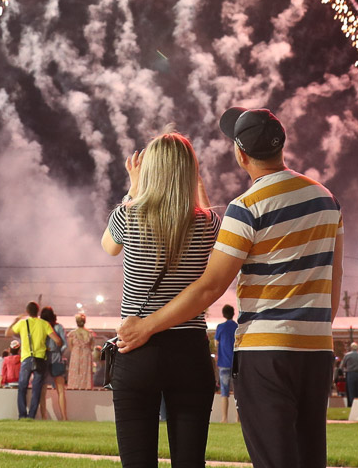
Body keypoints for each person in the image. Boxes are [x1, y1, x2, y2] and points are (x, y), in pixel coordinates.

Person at [116, 108, 343, 468]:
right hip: (316, 350)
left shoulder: (247, 207)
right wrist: (317, 329)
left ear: (240, 154)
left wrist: (145, 325)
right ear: (281, 144)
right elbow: (335, 275)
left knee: (274, 457)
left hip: (266, 351)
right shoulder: (326, 198)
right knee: (309, 455)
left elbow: (210, 287)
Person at [97, 132, 219, 467]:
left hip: (137, 352)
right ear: (190, 173)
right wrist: (196, 183)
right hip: (190, 351)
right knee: (190, 461)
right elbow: (211, 225)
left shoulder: (128, 215)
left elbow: (109, 246)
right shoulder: (207, 223)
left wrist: (134, 188)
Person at [10, 303, 59, 418]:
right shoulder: (44, 324)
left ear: (27, 311)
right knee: (36, 389)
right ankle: (31, 415)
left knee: (22, 387)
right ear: (38, 311)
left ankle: (22, 414)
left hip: (26, 358)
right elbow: (58, 340)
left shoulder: (22, 323)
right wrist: (49, 348)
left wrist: (15, 321)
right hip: (40, 359)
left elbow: (7, 333)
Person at [41, 306, 69, 419]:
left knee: (42, 390)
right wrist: (59, 353)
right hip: (56, 358)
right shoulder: (58, 327)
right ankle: (64, 417)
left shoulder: (41, 327)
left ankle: (43, 417)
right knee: (61, 390)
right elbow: (65, 344)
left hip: (43, 358)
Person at [214, 305, 238, 422]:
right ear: (233, 313)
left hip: (224, 362)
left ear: (224, 314)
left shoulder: (220, 327)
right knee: (238, 391)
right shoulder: (237, 327)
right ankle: (238, 418)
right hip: (236, 363)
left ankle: (224, 418)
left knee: (224, 391)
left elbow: (215, 342)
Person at [65, 315, 96, 390]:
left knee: (75, 371)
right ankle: (86, 386)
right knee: (86, 371)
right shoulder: (90, 333)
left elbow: (70, 346)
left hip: (76, 353)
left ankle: (74, 386)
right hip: (86, 353)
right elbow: (92, 347)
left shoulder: (72, 334)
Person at [341, 343, 358, 408]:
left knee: (351, 390)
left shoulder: (347, 355)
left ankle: (352, 404)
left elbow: (342, 366)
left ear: (351, 348)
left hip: (350, 373)